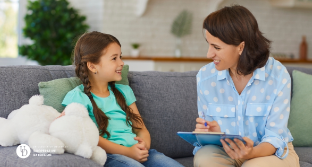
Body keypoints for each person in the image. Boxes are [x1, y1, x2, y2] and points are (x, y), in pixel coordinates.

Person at [194, 5, 300, 167]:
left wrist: (250, 153)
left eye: (216, 47)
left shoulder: (277, 75)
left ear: (241, 47)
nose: (209, 54)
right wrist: (211, 133)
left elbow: (275, 137)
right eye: (209, 45)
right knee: (204, 159)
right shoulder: (205, 77)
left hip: (269, 152)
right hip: (226, 150)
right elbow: (208, 130)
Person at [58, 31, 184, 167]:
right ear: (92, 66)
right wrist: (128, 152)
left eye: (120, 57)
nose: (122, 62)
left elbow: (141, 128)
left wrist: (143, 146)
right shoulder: (78, 97)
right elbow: (89, 137)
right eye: (114, 58)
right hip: (110, 156)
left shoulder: (124, 92)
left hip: (138, 152)